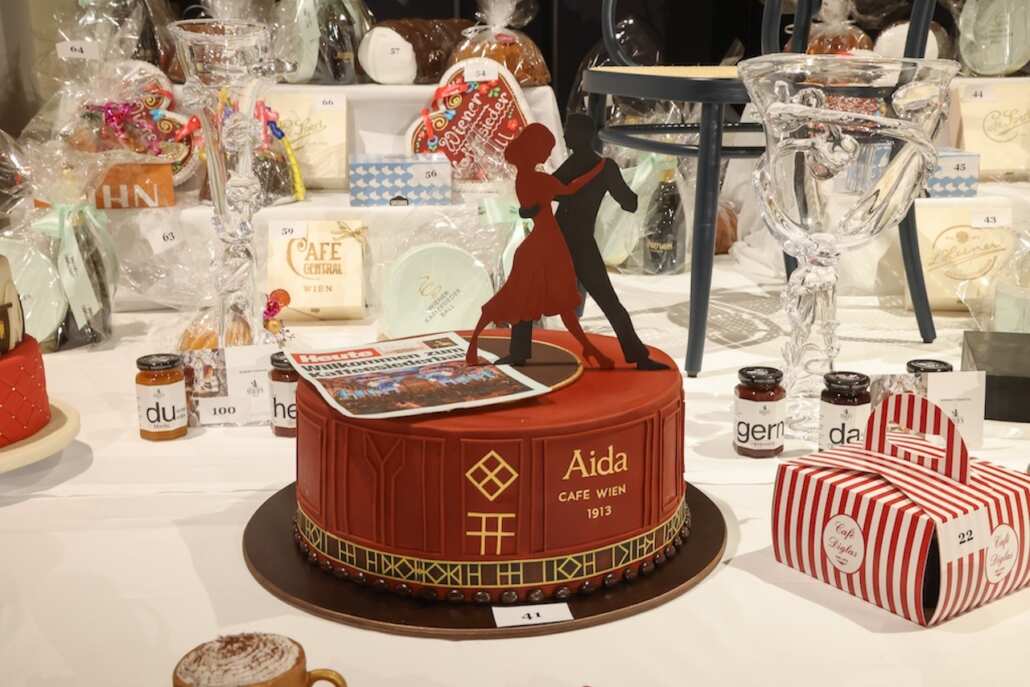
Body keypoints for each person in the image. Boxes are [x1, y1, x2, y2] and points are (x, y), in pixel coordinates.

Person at [501, 114, 669, 370]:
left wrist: (529, 206)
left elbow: (546, 195)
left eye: (569, 131)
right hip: (575, 241)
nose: (565, 136)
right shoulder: (604, 168)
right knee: (607, 299)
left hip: (559, 241)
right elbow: (629, 202)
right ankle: (638, 355)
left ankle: (519, 352)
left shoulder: (577, 166)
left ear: (582, 135)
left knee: (530, 293)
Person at [465, 123, 613, 369]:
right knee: (552, 300)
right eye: (546, 149)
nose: (548, 155)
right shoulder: (537, 179)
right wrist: (598, 169)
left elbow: (535, 205)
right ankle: (588, 348)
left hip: (542, 243)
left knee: (528, 299)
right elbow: (570, 189)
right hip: (546, 244)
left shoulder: (524, 179)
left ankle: (519, 351)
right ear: (534, 149)